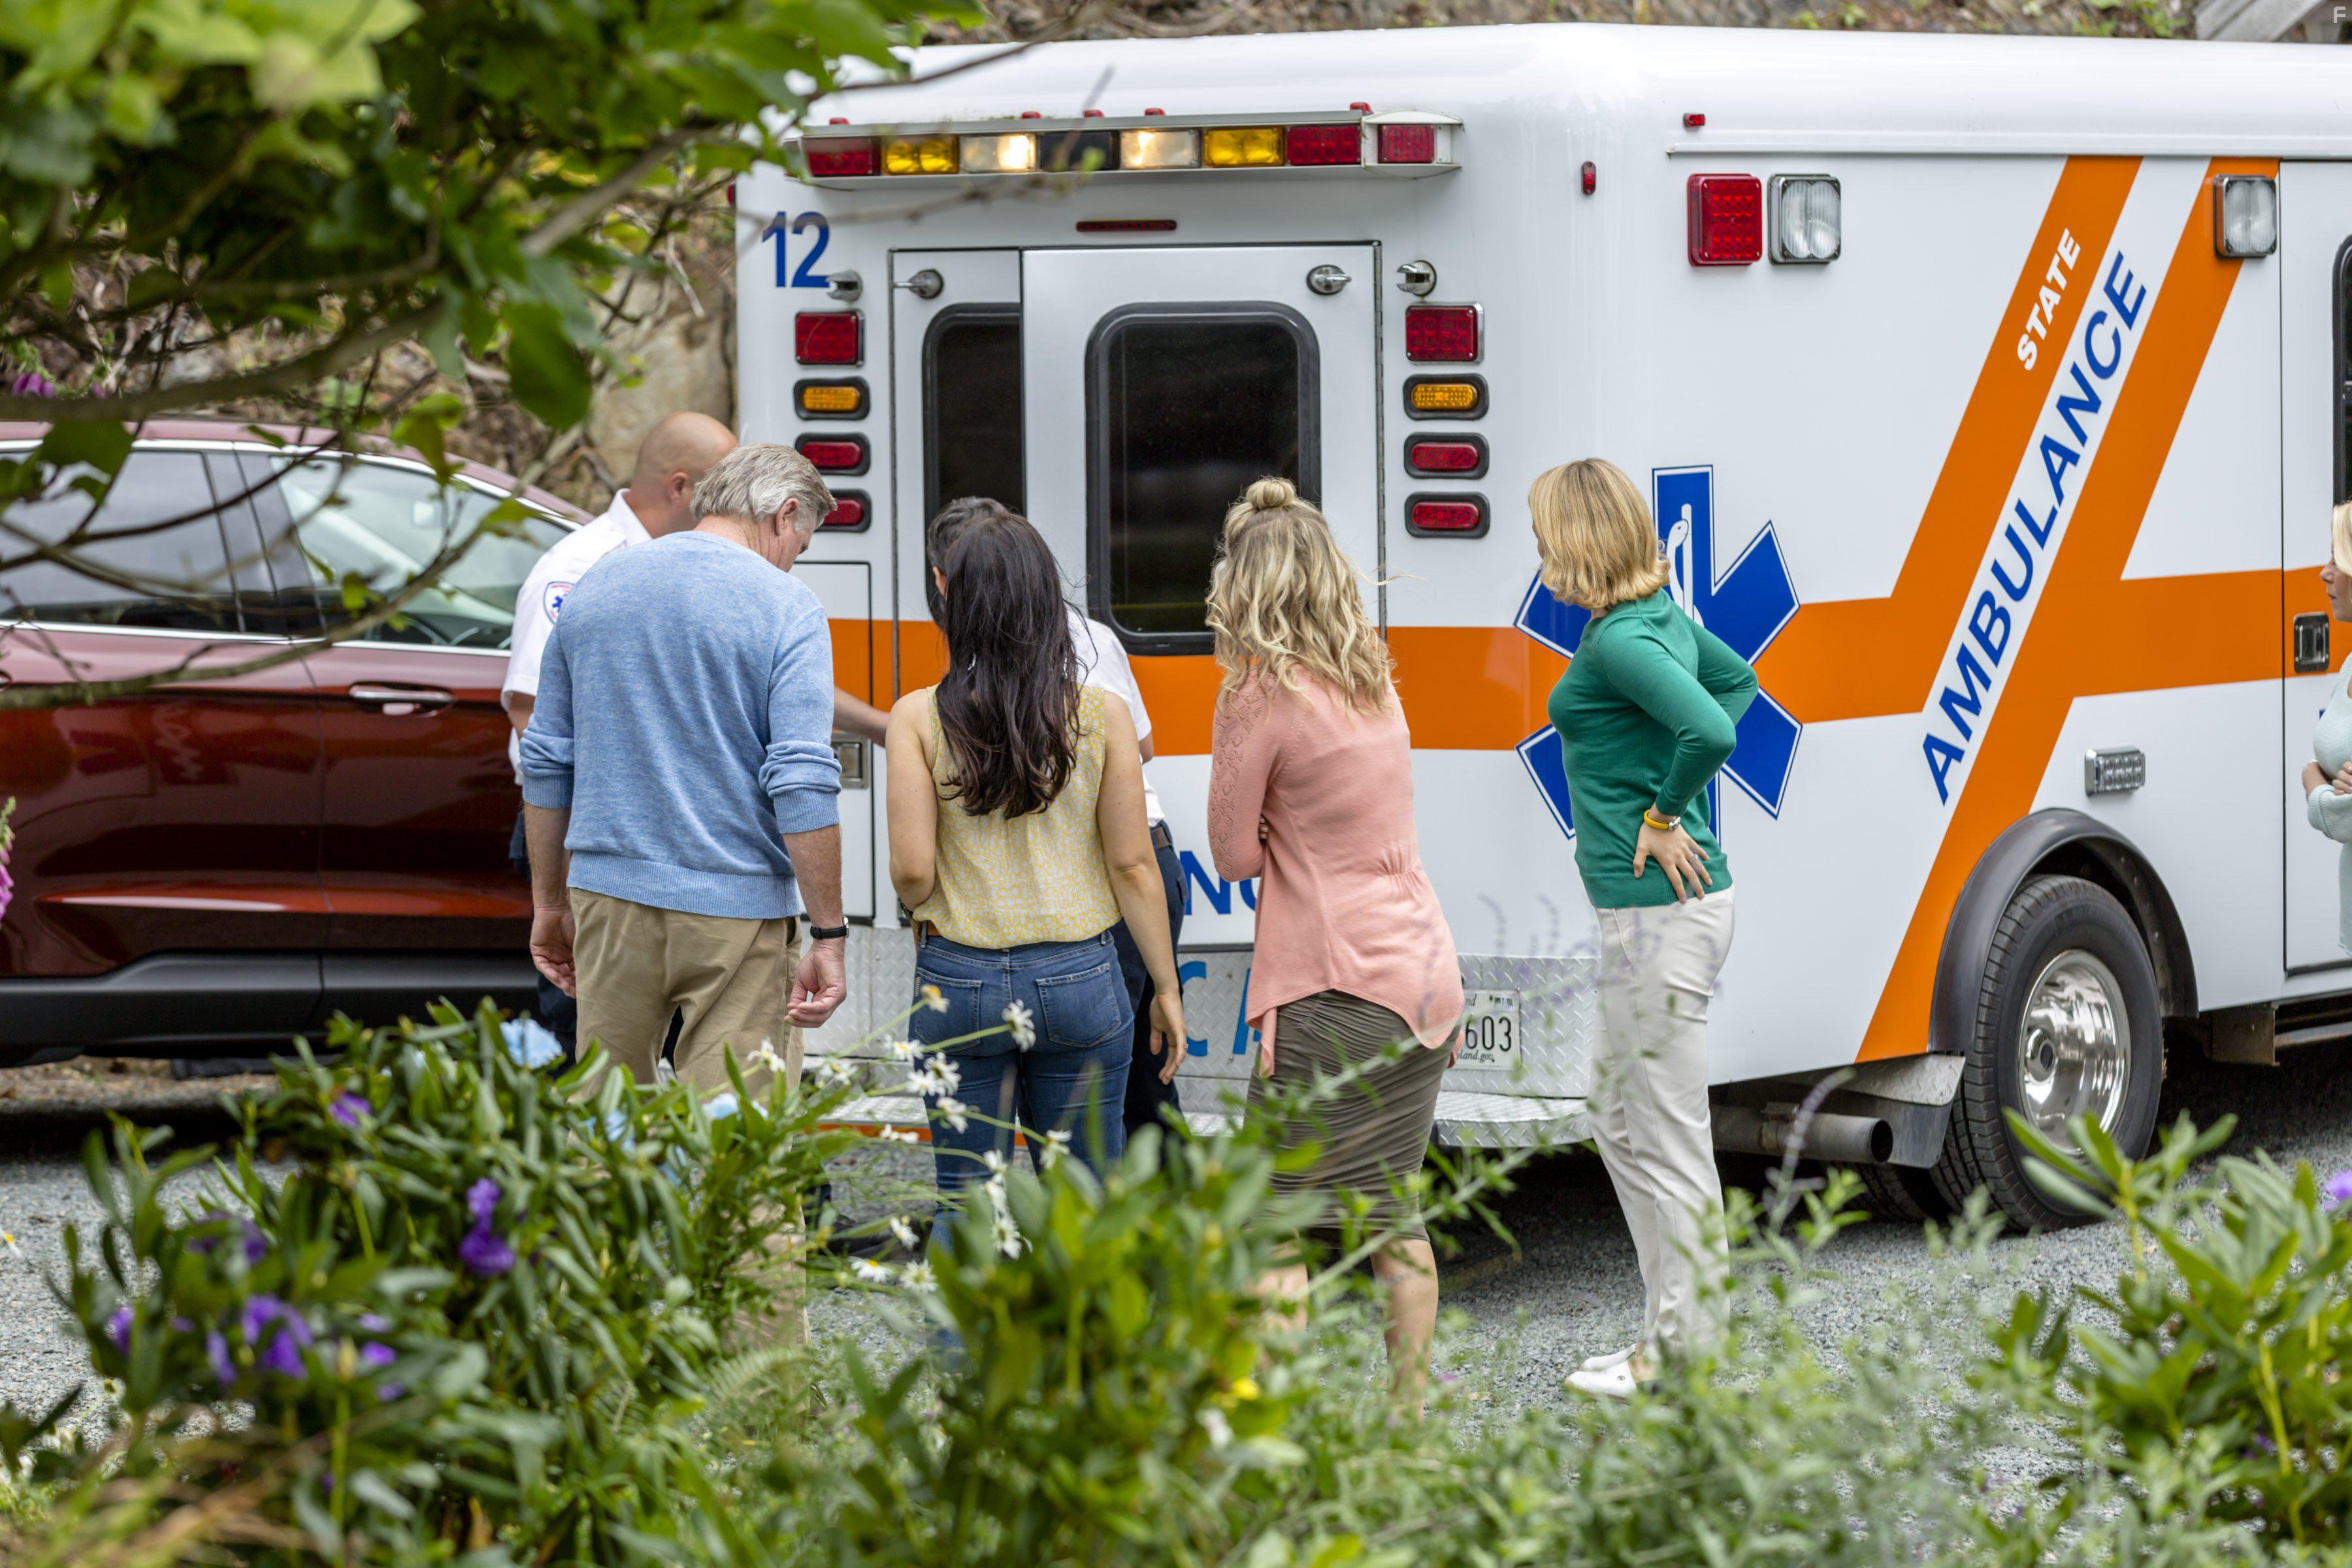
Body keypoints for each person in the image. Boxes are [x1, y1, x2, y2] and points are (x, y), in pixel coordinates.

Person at [1204, 477, 1463, 1409]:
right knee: (1391, 1213)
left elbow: (1232, 853)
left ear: (1244, 586)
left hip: (1335, 987)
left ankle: (1270, 1416)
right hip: (1426, 975)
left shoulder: (1260, 694)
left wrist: (1279, 831)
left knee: (1273, 1223)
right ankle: (1411, 1405)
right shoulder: (1373, 677)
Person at [519, 442, 849, 1097]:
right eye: (800, 545)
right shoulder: (787, 606)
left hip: (609, 903)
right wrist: (830, 934)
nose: (792, 561)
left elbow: (547, 758)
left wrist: (550, 902)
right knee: (740, 1154)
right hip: (738, 911)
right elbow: (803, 780)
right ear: (785, 515)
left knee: (606, 1134)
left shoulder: (597, 587)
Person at [1529, 458, 1756, 1401]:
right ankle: (1668, 1333)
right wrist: (1663, 798)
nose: (1537, 553)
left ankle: (1684, 1356)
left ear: (1577, 544)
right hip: (1656, 921)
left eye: (1545, 537)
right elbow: (1739, 682)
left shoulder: (1624, 641)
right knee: (1621, 1124)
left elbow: (1718, 725)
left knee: (1662, 1137)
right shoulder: (1649, 619)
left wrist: (1662, 817)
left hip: (1662, 925)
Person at [885, 504, 1183, 1205]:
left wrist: (929, 904)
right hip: (1080, 977)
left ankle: (966, 1314)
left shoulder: (917, 718)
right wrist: (1165, 987)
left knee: (968, 1201)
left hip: (958, 980)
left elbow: (912, 870)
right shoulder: (1099, 713)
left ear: (945, 590)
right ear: (1045, 594)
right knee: (1081, 1202)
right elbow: (1134, 865)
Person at [503, 412, 736, 1056]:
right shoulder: (578, 569)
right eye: (727, 486)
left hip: (657, 828)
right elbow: (533, 719)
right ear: (683, 487)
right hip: (585, 828)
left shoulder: (687, 565)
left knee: (671, 1045)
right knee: (593, 1040)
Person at [2302, 502, 2352, 949]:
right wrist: (2324, 779)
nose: (2324, 573)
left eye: (2336, 559)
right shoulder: (2350, 666)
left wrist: (2311, 783)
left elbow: (2346, 817)